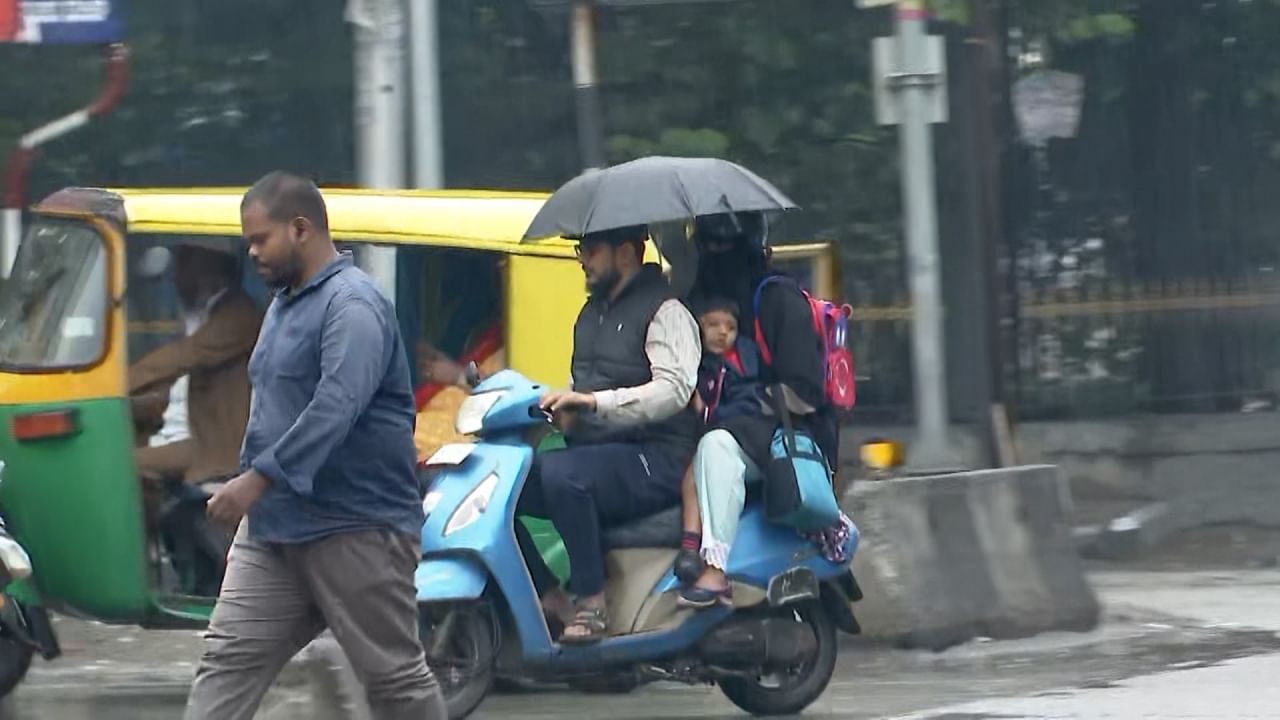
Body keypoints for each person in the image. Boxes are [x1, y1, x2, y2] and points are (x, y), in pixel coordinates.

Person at [184, 172, 446, 720]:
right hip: (276, 528)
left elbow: (336, 407)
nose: (252, 253)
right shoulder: (285, 302)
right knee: (228, 659)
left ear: (301, 229)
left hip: (355, 527)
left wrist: (257, 479)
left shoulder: (352, 306)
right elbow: (271, 407)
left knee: (395, 682)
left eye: (261, 240)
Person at [515, 224, 701, 644]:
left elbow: (674, 390)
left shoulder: (667, 312)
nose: (582, 259)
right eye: (581, 249)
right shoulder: (589, 316)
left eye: (591, 249)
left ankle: (592, 603)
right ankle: (549, 597)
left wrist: (598, 403)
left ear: (624, 254)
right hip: (598, 451)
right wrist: (557, 411)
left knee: (564, 474)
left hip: (655, 456)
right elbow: (578, 383)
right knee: (505, 488)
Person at [678, 212, 840, 608]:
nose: (715, 258)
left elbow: (806, 391)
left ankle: (715, 570)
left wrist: (744, 402)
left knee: (716, 445)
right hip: (729, 424)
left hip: (785, 431)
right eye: (708, 247)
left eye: (724, 247)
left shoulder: (777, 300)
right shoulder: (696, 307)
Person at [129, 241, 262, 526]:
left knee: (121, 464)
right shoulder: (201, 313)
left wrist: (116, 383)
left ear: (207, 271)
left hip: (209, 446)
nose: (175, 277)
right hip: (181, 431)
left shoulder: (238, 314)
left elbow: (182, 357)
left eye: (183, 266)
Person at [674, 296, 765, 594]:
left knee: (706, 460)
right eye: (713, 325)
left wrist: (705, 412)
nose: (722, 332)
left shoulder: (746, 366)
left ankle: (712, 561)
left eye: (730, 327)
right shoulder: (700, 364)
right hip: (708, 436)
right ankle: (690, 544)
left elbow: (744, 408)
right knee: (691, 474)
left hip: (741, 439)